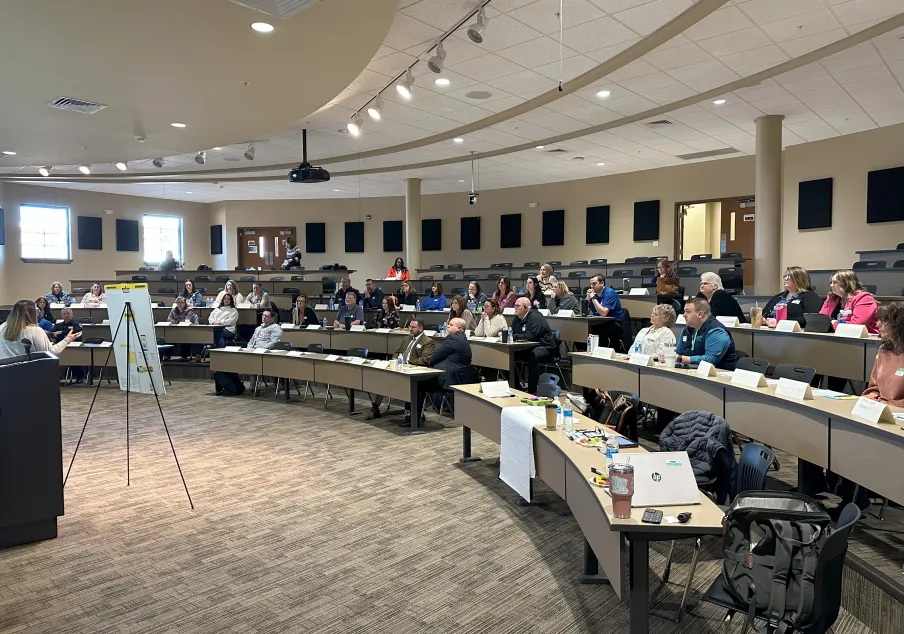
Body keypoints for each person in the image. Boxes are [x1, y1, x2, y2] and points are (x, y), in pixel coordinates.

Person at [366, 318, 436, 422]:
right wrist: (395, 359)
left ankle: (412, 415)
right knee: (380, 377)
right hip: (399, 368)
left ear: (421, 328)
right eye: (410, 327)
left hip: (413, 371)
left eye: (413, 327)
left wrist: (407, 362)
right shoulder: (407, 339)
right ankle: (375, 407)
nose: (410, 329)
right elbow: (397, 352)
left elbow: (424, 360)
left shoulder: (428, 342)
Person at [0, 300, 81, 359]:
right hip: (28, 374)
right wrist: (68, 339)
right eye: (37, 310)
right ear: (32, 313)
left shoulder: (2, 327)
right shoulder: (35, 330)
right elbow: (49, 352)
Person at [674, 297, 738, 370]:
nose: (684, 315)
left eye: (688, 312)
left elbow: (710, 360)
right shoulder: (687, 329)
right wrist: (669, 356)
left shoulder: (716, 331)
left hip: (718, 375)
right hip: (693, 371)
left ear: (700, 314)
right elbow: (678, 352)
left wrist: (681, 359)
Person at [512, 297, 558, 394]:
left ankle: (532, 390)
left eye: (517, 305)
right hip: (528, 346)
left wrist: (514, 336)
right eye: (515, 305)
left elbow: (531, 336)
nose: (515, 308)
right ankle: (515, 386)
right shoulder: (516, 318)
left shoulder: (535, 316)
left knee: (533, 356)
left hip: (546, 347)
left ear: (525, 307)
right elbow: (514, 334)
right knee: (510, 355)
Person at [863, 302, 904, 406]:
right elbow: (874, 388)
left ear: (899, 325)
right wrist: (871, 400)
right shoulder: (883, 351)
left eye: (884, 321)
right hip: (881, 408)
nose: (877, 325)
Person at [819, 269, 878, 333]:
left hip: (865, 339)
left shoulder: (864, 298)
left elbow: (856, 325)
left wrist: (833, 323)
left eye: (835, 282)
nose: (831, 285)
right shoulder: (832, 297)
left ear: (845, 284)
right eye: (831, 282)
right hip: (836, 336)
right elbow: (821, 319)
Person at [428, 317, 472, 399]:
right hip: (460, 375)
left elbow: (436, 355)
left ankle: (414, 410)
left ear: (459, 328)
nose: (448, 326)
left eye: (451, 325)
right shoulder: (463, 338)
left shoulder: (452, 338)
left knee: (419, 382)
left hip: (449, 375)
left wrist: (429, 363)